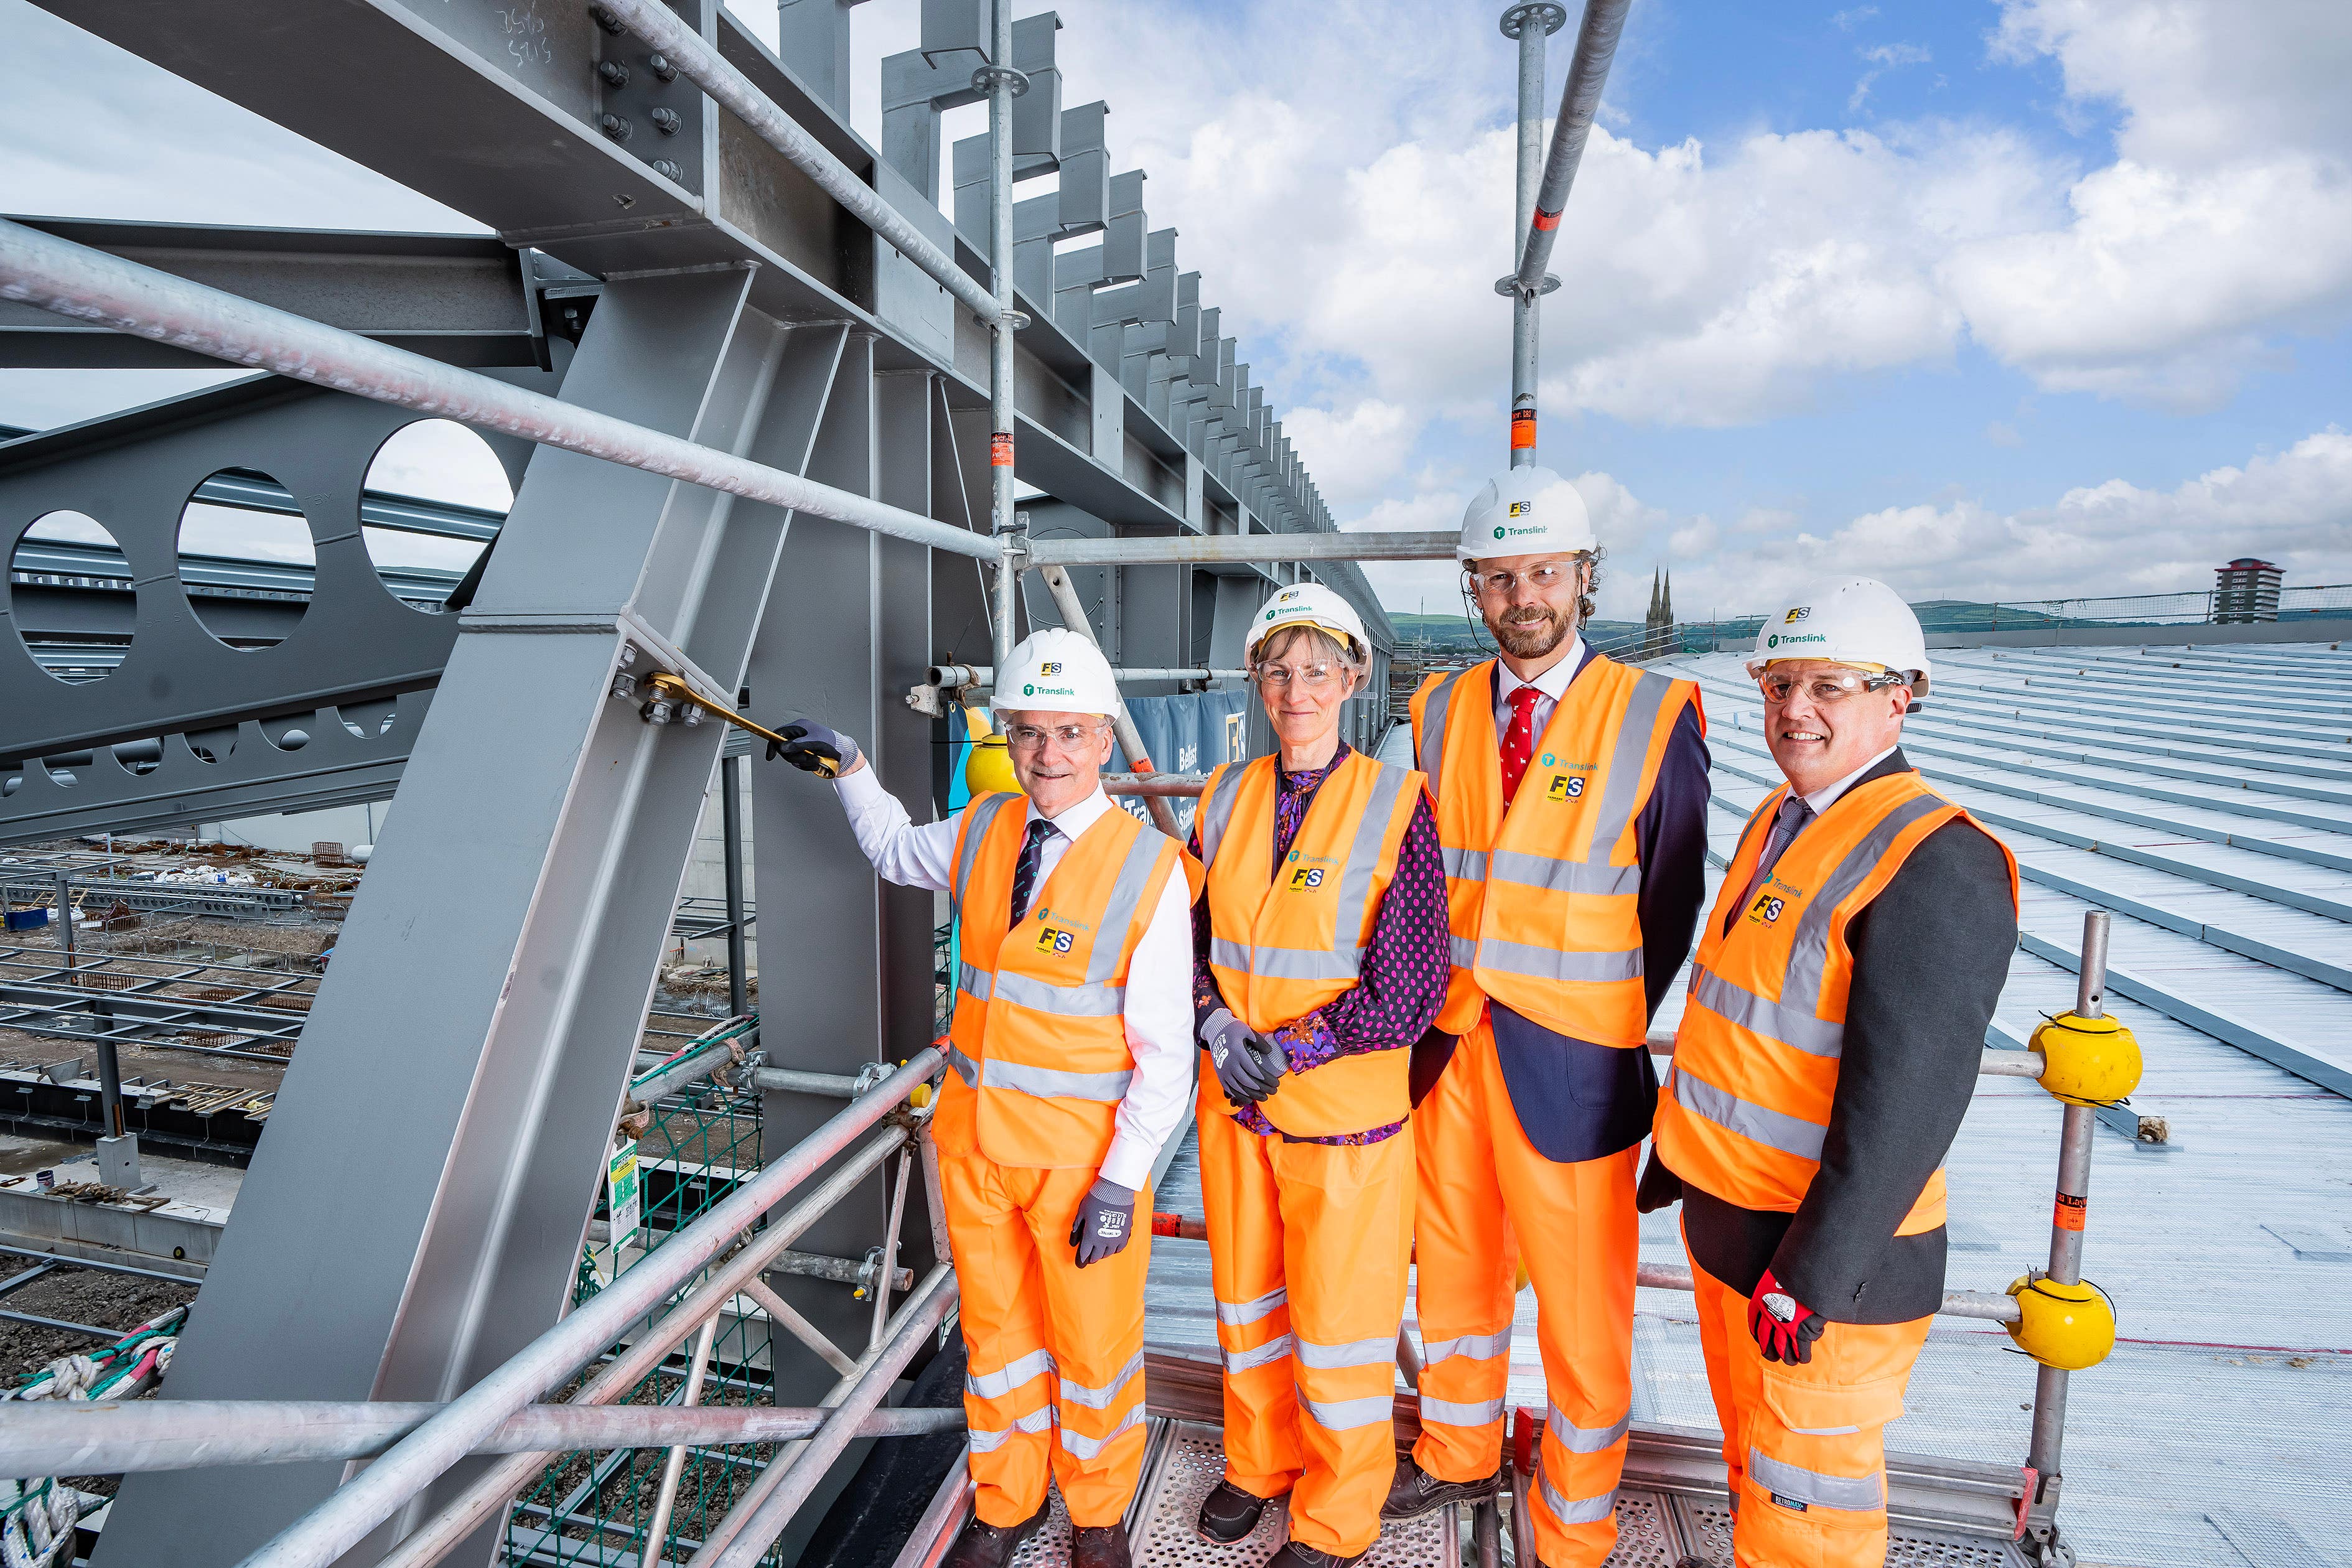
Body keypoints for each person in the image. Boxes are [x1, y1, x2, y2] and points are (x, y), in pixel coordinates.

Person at [768, 627, 1199, 1568]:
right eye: (1030, 734)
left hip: (1080, 1162)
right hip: (973, 1146)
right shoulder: (985, 827)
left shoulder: (1147, 871)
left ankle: (1097, 1516)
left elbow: (1167, 1053)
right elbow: (891, 852)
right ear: (1010, 735)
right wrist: (852, 769)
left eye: (1071, 735)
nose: (1050, 757)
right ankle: (1007, 1502)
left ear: (1101, 737)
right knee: (998, 1337)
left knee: (1093, 1347)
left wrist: (1125, 1182)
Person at [1641, 579, 2017, 1568]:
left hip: (1822, 1272)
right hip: (1733, 1227)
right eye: (1779, 684)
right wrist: (1679, 1154)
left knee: (1812, 1514)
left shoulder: (1936, 859)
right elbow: (1743, 1016)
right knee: (1757, 1473)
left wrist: (1811, 1275)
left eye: (1831, 687)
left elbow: (1910, 1104)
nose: (1794, 710)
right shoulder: (1783, 817)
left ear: (1901, 697)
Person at [1392, 467, 1711, 1568]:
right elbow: (1421, 878)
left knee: (1583, 1309)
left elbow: (1672, 897)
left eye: (1542, 572)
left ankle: (1573, 1524)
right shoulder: (1434, 710)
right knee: (1457, 1273)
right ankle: (1457, 1452)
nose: (1522, 595)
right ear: (1475, 590)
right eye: (1499, 577)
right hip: (1449, 1049)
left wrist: (1603, 1013)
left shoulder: (1653, 711)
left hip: (1573, 1063)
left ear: (1584, 578)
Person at [1185, 584, 1450, 1568]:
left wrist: (1290, 1051)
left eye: (1316, 671)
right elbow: (1191, 936)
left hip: (1343, 1124)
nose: (1296, 690)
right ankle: (1259, 1465)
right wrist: (1214, 1021)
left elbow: (1413, 982)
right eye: (1277, 671)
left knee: (1341, 1330)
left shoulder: (1396, 804)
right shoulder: (1224, 796)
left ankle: (1338, 1518)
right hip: (1240, 1116)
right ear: (1256, 683)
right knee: (1246, 1308)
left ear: (1354, 678)